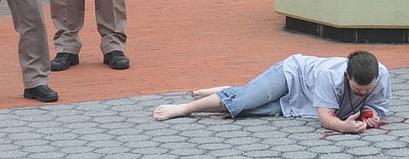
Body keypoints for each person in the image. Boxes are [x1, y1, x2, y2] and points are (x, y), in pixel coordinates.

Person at [153, 51, 391, 134]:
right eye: (356, 90)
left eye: (366, 91)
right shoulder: (330, 76)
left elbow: (377, 106)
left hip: (302, 103)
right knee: (243, 101)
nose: (361, 94)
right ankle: (183, 109)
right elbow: (326, 118)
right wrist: (344, 127)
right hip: (291, 75)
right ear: (347, 76)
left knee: (246, 111)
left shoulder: (382, 76)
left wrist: (368, 115)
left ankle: (227, 90)